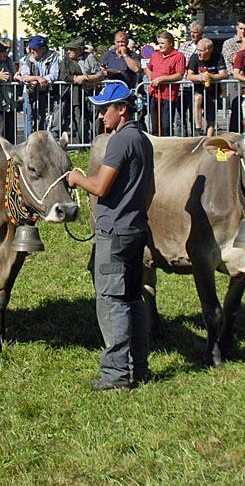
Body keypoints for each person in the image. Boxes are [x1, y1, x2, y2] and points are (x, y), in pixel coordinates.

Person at [67, 82, 154, 391]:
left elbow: (101, 187)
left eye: (106, 108)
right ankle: (138, 366)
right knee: (133, 298)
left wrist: (78, 178)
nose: (101, 114)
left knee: (111, 301)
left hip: (114, 233)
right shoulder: (143, 140)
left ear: (123, 110)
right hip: (135, 229)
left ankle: (115, 375)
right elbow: (150, 190)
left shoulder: (119, 142)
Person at [59, 38, 104, 143]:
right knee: (80, 119)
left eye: (71, 49)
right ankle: (82, 145)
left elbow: (100, 74)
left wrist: (86, 78)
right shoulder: (65, 60)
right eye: (68, 49)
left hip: (92, 92)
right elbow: (63, 76)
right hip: (76, 94)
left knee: (96, 119)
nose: (68, 51)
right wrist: (75, 79)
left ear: (79, 50)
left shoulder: (90, 57)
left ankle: (97, 143)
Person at [17, 34, 61, 139]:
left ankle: (43, 141)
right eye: (31, 48)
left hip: (47, 92)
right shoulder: (27, 58)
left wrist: (40, 79)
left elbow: (54, 75)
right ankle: (28, 141)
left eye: (35, 49)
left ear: (43, 49)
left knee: (44, 117)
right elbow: (24, 76)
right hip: (29, 91)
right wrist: (38, 78)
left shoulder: (54, 57)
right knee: (29, 117)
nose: (32, 51)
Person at [145, 31, 187, 137]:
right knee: (154, 125)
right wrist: (151, 77)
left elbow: (179, 75)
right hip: (154, 94)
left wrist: (162, 79)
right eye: (159, 43)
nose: (160, 45)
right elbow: (148, 68)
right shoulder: (155, 55)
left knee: (166, 126)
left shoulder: (178, 56)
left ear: (170, 43)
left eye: (163, 43)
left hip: (168, 95)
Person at [185, 37, 227, 136]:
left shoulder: (218, 57)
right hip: (199, 89)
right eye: (198, 50)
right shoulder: (194, 58)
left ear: (209, 51)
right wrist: (200, 77)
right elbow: (189, 75)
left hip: (213, 91)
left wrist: (211, 76)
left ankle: (208, 140)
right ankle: (198, 128)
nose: (199, 53)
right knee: (198, 98)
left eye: (201, 51)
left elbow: (224, 74)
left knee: (211, 119)